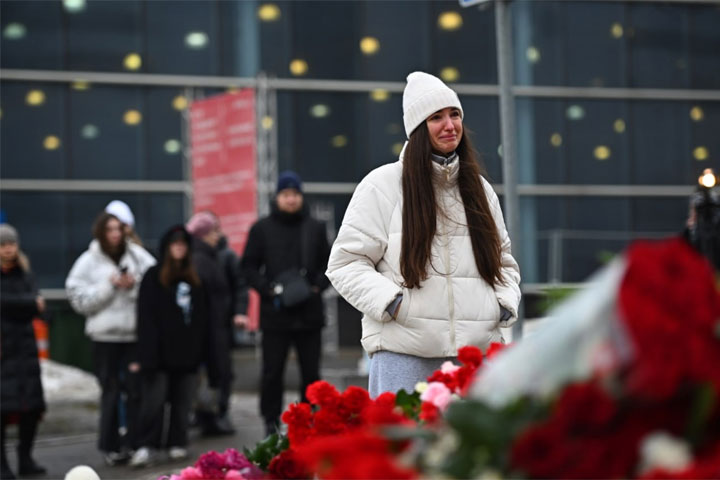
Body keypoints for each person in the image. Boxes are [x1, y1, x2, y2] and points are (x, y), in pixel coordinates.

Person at [325, 72, 521, 398]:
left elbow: (504, 263)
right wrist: (394, 305)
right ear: (418, 128)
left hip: (475, 357)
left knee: (472, 449)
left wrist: (499, 306)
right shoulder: (382, 185)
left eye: (454, 114)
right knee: (403, 447)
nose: (449, 125)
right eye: (436, 117)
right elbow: (345, 264)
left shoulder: (480, 190)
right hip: (405, 354)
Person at [241, 171, 331, 436]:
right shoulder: (262, 228)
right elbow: (247, 266)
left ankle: (308, 420)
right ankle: (270, 421)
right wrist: (268, 290)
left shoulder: (314, 228)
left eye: (295, 195)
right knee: (272, 372)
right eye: (285, 195)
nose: (291, 200)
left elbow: (330, 264)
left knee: (311, 373)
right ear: (277, 197)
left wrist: (316, 287)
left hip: (309, 313)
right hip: (275, 314)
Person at [65, 212, 156, 465]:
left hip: (134, 336)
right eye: (110, 229)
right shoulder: (88, 260)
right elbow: (76, 297)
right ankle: (110, 446)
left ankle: (138, 443)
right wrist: (111, 286)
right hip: (104, 338)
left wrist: (132, 284)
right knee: (110, 392)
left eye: (119, 228)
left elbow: (155, 284)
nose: (116, 234)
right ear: (101, 233)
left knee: (137, 391)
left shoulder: (138, 256)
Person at [130, 226, 210, 467]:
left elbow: (202, 319)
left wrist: (202, 352)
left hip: (187, 356)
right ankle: (146, 445)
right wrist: (147, 355)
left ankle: (177, 442)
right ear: (166, 248)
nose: (179, 248)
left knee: (182, 402)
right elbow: (145, 318)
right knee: (154, 402)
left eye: (183, 244)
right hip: (159, 355)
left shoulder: (195, 278)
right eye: (175, 244)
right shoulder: (153, 277)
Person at [0, 224, 47, 479]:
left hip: (25, 352)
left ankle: (25, 458)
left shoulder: (25, 273)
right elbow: (27, 303)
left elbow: (37, 306)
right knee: (3, 410)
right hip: (3, 352)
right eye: (3, 245)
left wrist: (27, 305)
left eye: (11, 244)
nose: (8, 249)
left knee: (31, 408)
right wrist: (28, 304)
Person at [185, 212, 234, 436]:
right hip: (209, 330)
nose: (218, 235)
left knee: (217, 374)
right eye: (214, 231)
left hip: (215, 327)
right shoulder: (200, 259)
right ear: (203, 234)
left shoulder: (209, 257)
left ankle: (211, 417)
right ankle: (209, 418)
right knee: (210, 375)